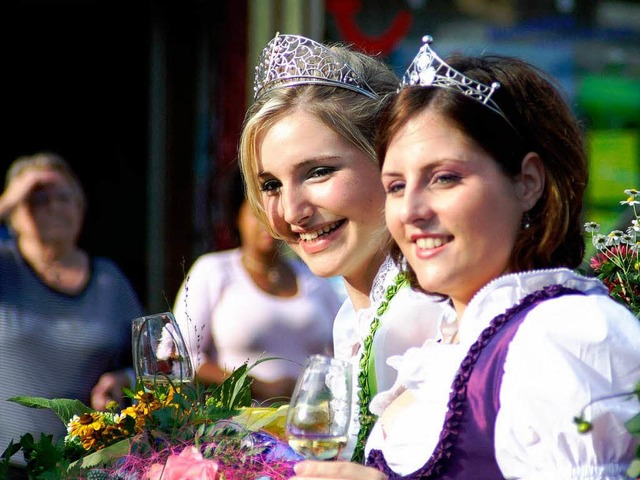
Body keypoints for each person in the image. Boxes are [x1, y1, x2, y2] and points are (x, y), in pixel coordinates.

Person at [291, 36, 640, 479]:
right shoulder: (448, 342)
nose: (412, 211)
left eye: (444, 178)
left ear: (528, 182)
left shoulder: (566, 334)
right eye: (396, 186)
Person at [239, 33, 447, 461]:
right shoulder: (355, 313)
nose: (292, 212)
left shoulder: (421, 309)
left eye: (318, 172)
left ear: (389, 159)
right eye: (271, 185)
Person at [0, 152, 144, 474]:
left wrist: (125, 380)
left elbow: (152, 359)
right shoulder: (5, 269)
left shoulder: (109, 279)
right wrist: (8, 198)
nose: (53, 206)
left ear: (81, 208)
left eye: (64, 197)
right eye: (36, 198)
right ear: (13, 213)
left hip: (88, 465)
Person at [172, 163, 340, 404]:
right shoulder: (214, 271)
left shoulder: (314, 277)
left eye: (277, 213)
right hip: (237, 429)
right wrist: (256, 387)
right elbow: (180, 358)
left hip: (309, 427)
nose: (268, 224)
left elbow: (344, 355)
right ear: (236, 216)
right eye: (257, 214)